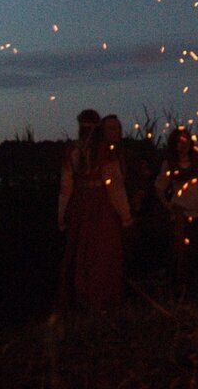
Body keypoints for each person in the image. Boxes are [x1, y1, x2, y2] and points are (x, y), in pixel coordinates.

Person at [57, 108, 133, 313]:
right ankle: (99, 301)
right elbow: (115, 187)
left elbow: (66, 188)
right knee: (101, 253)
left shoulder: (75, 151)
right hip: (99, 207)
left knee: (86, 253)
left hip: (83, 207)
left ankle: (88, 301)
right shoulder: (102, 153)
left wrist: (62, 215)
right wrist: (125, 216)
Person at [154, 126, 198, 295]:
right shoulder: (169, 163)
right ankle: (187, 291)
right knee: (185, 255)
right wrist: (169, 205)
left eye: (185, 141)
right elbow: (159, 187)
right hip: (183, 215)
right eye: (179, 141)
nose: (182, 145)